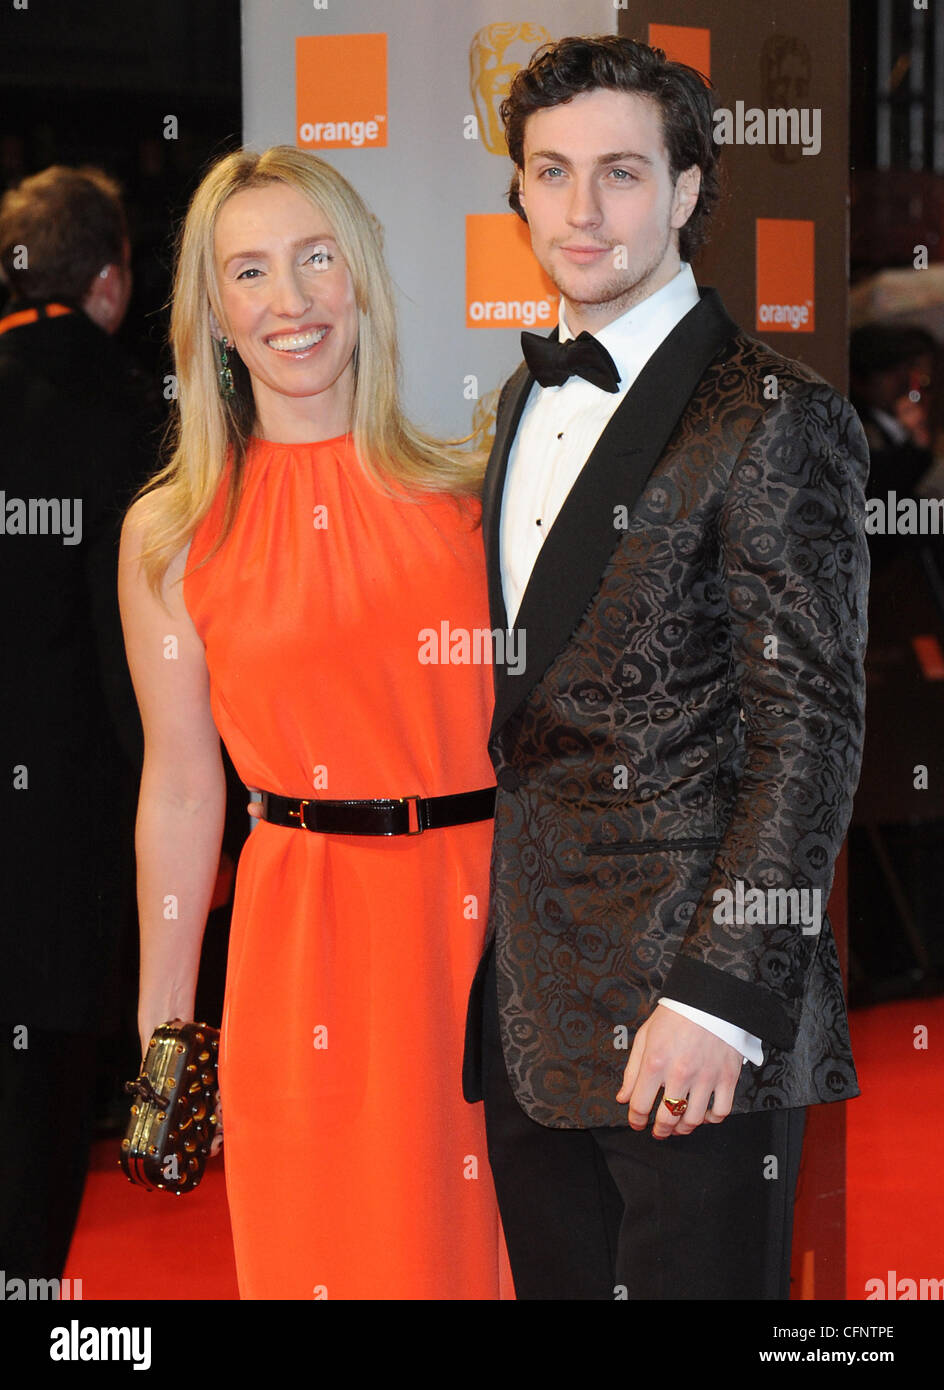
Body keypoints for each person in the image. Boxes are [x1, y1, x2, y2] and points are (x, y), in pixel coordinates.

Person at [462, 35, 870, 1300]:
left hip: (691, 1018)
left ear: (688, 190)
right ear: (518, 191)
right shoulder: (518, 405)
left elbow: (811, 730)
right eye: (551, 172)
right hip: (535, 1006)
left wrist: (715, 1000)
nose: (581, 212)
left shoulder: (774, 414)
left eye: (622, 174)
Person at [119, 145, 506, 1300]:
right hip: (303, 953)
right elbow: (184, 789)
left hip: (485, 942)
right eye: (249, 272)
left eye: (313, 259)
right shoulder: (173, 534)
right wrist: (165, 1019)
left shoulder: (469, 496)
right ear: (214, 314)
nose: (288, 301)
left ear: (361, 281)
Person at [0, 165, 147, 1283]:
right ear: (108, 281)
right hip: (67, 832)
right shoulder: (136, 410)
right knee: (39, 1112)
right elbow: (132, 656)